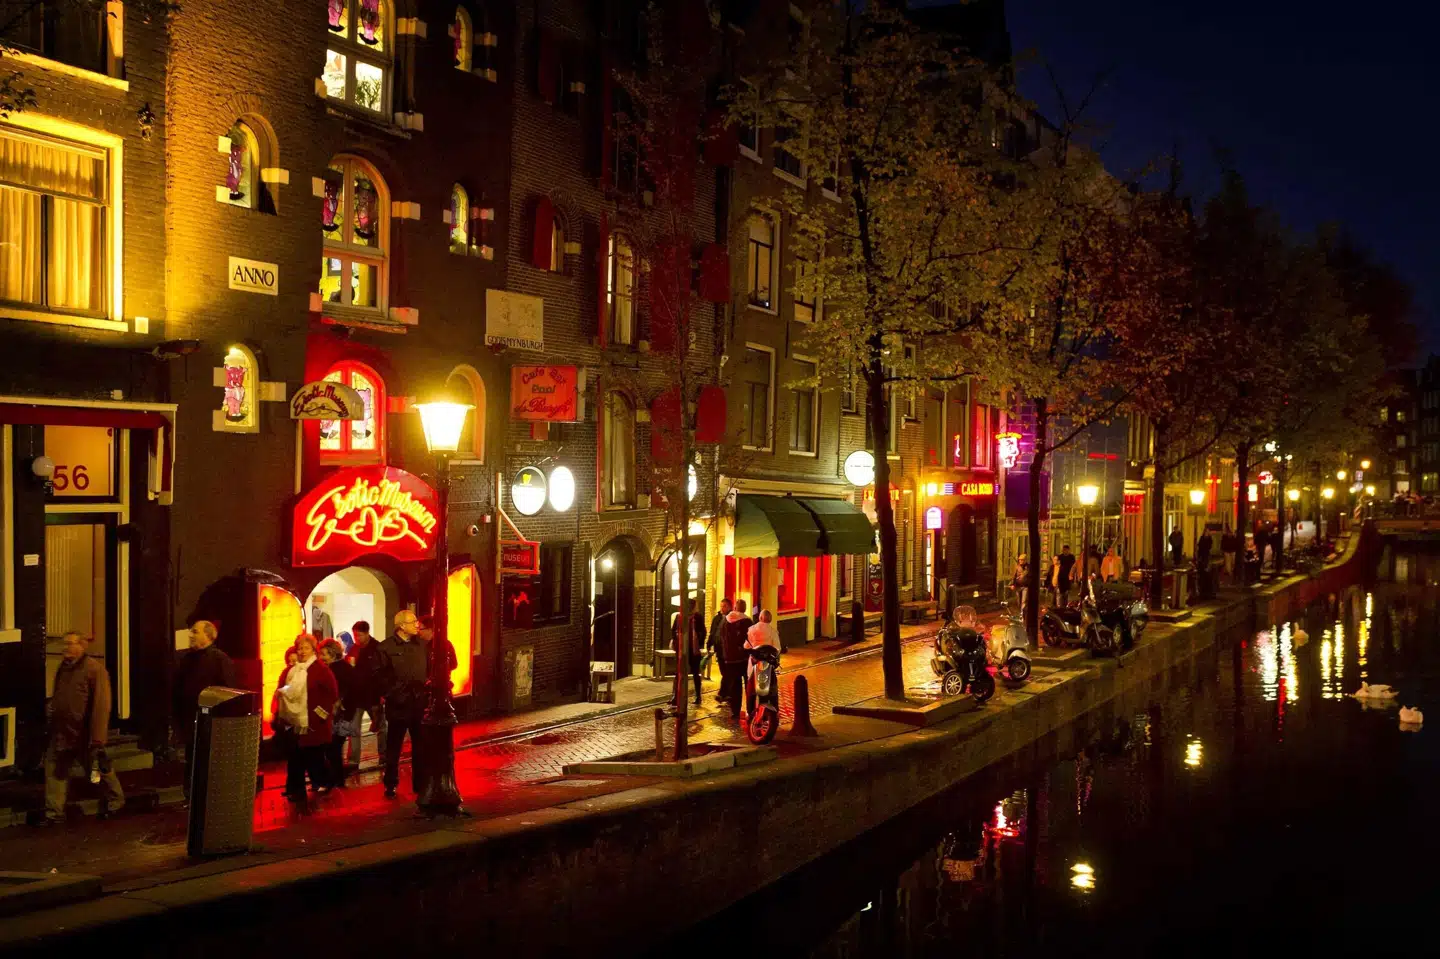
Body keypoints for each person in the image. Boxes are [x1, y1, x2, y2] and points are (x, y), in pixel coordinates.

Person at [44, 632, 123, 824]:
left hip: (83, 733)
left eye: (70, 644)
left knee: (96, 769)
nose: (66, 648)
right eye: (65, 644)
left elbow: (101, 705)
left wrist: (97, 738)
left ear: (82, 646)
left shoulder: (94, 670)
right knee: (55, 769)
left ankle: (116, 801)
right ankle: (54, 812)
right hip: (63, 731)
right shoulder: (64, 668)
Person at [172, 619, 236, 797]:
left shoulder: (219, 660)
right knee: (192, 761)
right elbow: (178, 691)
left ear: (208, 636)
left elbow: (228, 692)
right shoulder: (186, 660)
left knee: (209, 763)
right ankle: (192, 795)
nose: (190, 635)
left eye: (195, 632)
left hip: (211, 724)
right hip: (190, 722)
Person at [275, 633, 338, 800]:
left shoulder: (321, 669)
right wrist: (281, 697)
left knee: (314, 759)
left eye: (306, 648)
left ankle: (327, 780)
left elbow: (332, 693)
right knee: (295, 758)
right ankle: (296, 791)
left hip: (313, 724)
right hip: (294, 723)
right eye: (300, 648)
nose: (302, 651)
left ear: (313, 650)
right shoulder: (292, 671)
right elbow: (285, 688)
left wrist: (320, 715)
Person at [379, 609, 429, 799]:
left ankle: (420, 782)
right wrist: (395, 695)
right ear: (401, 626)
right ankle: (390, 783)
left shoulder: (421, 645)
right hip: (398, 706)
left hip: (418, 704)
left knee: (420, 746)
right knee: (394, 746)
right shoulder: (386, 648)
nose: (417, 625)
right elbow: (379, 677)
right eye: (413, 622)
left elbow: (428, 671)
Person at [345, 620, 387, 769]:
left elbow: (382, 673)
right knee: (354, 729)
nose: (357, 638)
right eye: (355, 635)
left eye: (359, 635)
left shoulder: (377, 648)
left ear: (367, 633)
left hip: (373, 695)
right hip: (358, 696)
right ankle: (353, 760)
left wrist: (382, 694)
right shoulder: (354, 650)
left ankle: (384, 756)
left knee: (381, 726)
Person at [319, 638, 353, 788]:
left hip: (337, 716)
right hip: (344, 715)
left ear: (332, 654)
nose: (322, 657)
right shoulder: (345, 667)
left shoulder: (332, 670)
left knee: (332, 748)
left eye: (324, 654)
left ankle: (335, 779)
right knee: (335, 748)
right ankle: (337, 779)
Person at [744, 610, 781, 720]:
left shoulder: (751, 629)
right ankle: (774, 711)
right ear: (770, 619)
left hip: (754, 664)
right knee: (772, 687)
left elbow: (746, 646)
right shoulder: (773, 631)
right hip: (768, 664)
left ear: (760, 618)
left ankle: (750, 712)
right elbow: (777, 648)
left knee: (751, 689)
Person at [720, 599, 754, 719]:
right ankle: (751, 710)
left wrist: (725, 654)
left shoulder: (725, 621)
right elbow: (751, 639)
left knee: (735, 685)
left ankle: (735, 711)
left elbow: (721, 638)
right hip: (744, 658)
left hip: (730, 659)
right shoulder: (748, 621)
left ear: (735, 607)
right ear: (744, 608)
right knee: (749, 684)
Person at [670, 610, 706, 707]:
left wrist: (698, 641)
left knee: (695, 673)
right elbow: (673, 630)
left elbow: (703, 631)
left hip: (693, 649)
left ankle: (698, 696)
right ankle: (675, 696)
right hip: (682, 649)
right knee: (678, 673)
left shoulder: (697, 617)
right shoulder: (678, 617)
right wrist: (676, 641)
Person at [706, 598, 732, 684]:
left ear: (729, 607)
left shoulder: (732, 618)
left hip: (728, 649)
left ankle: (726, 690)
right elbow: (712, 632)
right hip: (719, 648)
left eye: (724, 606)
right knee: (722, 669)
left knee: (728, 670)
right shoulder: (716, 618)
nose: (722, 608)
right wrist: (709, 644)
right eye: (721, 606)